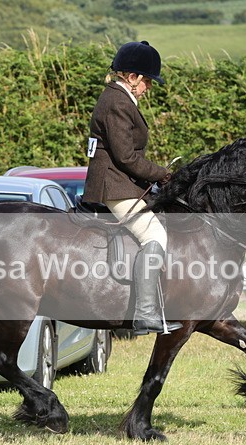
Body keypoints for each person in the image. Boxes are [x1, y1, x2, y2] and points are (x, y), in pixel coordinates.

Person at [82, 41, 182, 335]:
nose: (148, 87)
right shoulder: (117, 102)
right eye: (148, 81)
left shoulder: (120, 99)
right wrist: (163, 174)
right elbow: (126, 156)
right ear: (133, 77)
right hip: (114, 186)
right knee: (155, 234)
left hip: (122, 182)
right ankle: (145, 314)